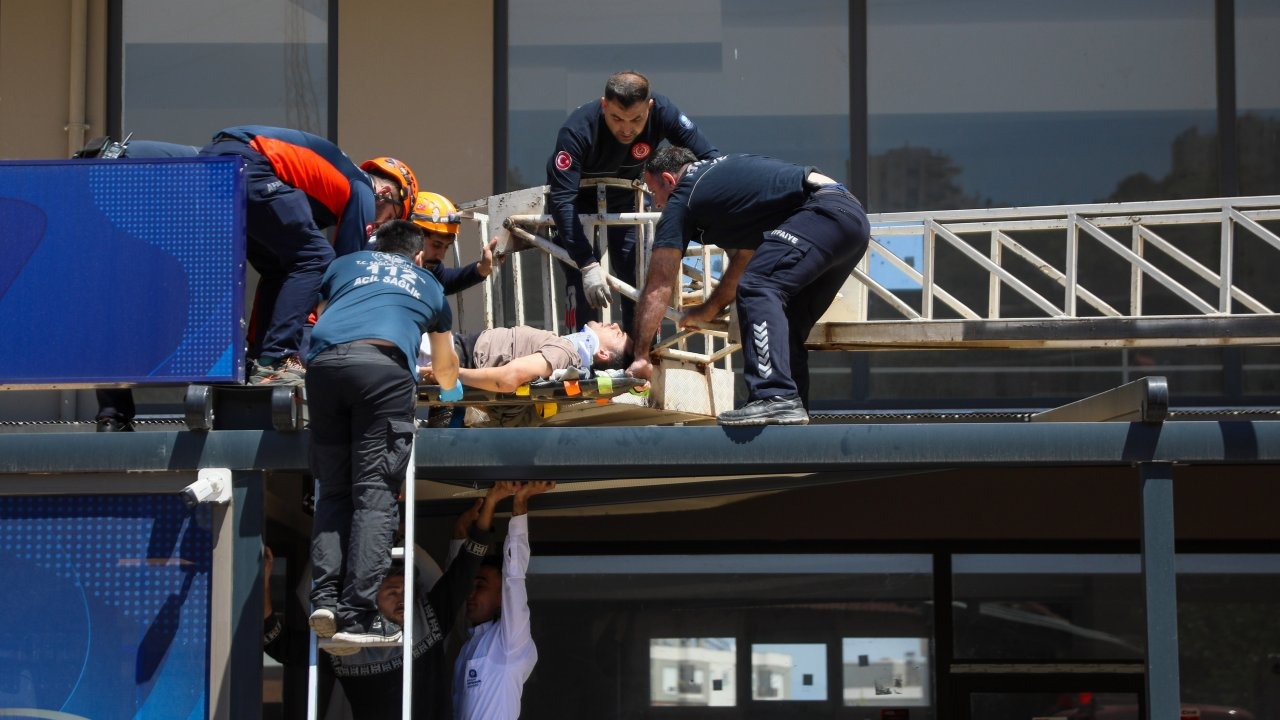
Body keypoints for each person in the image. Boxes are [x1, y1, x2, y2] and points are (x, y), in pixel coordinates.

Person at [628, 146, 871, 426]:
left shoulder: (683, 197)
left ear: (669, 180)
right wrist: (710, 308)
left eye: (653, 192)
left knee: (758, 286)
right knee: (787, 318)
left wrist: (641, 355)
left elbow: (659, 284)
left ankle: (774, 396)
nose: (656, 204)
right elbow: (745, 259)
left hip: (821, 211)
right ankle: (792, 413)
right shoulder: (721, 181)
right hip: (850, 220)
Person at [305, 219, 461, 655]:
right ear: (417, 256)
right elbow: (445, 367)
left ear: (377, 247)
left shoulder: (346, 265)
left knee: (333, 491)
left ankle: (325, 602)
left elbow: (324, 310)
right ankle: (356, 617)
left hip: (324, 367)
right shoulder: (430, 286)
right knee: (374, 497)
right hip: (383, 371)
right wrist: (449, 388)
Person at [200, 125, 419, 385]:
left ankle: (259, 357)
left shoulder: (334, 181)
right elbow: (345, 271)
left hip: (215, 162)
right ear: (385, 194)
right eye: (391, 217)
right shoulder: (361, 189)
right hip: (249, 160)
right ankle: (277, 358)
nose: (380, 225)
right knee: (316, 257)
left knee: (280, 268)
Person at [546, 70, 718, 333]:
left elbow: (709, 160)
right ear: (604, 105)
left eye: (637, 119)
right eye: (616, 118)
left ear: (650, 106)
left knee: (638, 277)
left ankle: (641, 354)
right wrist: (587, 263)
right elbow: (562, 200)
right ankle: (582, 355)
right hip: (575, 205)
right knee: (582, 282)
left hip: (626, 201)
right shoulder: (577, 129)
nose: (627, 129)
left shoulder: (664, 112)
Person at [71, 136, 201, 430]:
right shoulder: (142, 168)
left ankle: (113, 415)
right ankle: (197, 404)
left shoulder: (139, 170)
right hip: (165, 263)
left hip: (165, 261)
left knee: (116, 332)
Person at [453, 480, 555, 720]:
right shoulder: (471, 641)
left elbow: (514, 578)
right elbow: (453, 587)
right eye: (472, 586)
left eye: (481, 586)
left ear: (501, 598)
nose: (471, 593)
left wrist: (520, 503)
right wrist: (460, 534)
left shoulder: (509, 642)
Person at [421, 321, 631, 393]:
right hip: (457, 353)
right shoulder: (565, 352)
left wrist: (451, 373)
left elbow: (509, 378)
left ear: (602, 354)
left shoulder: (565, 352)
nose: (615, 325)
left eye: (618, 334)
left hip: (453, 357)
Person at [409, 190, 502, 294]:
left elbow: (442, 281)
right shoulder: (394, 262)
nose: (441, 256)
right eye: (436, 245)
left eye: (446, 247)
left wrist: (482, 268)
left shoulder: (427, 264)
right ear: (412, 234)